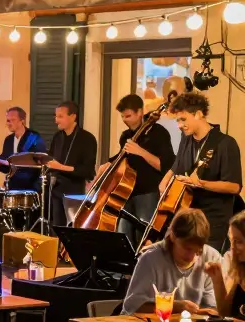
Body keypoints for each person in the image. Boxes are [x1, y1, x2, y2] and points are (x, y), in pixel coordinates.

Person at [122, 208, 221, 322]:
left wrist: (208, 312)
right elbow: (133, 306)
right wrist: (176, 306)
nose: (192, 256)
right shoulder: (150, 259)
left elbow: (214, 307)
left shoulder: (212, 258)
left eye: (197, 250)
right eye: (187, 248)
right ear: (173, 236)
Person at [162, 91, 243, 250]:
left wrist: (201, 183)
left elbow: (234, 186)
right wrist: (165, 180)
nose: (179, 125)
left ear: (198, 114)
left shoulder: (225, 144)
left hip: (213, 219)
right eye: (177, 120)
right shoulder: (186, 139)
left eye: (183, 119)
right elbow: (177, 164)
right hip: (188, 215)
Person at [105, 94, 174, 245]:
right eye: (123, 116)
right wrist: (108, 164)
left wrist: (140, 151)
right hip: (125, 193)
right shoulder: (126, 136)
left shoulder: (159, 133)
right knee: (123, 238)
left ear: (140, 112)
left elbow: (165, 165)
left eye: (128, 116)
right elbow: (122, 158)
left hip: (148, 192)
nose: (125, 120)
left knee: (144, 238)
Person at [45, 100, 98, 227]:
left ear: (73, 116)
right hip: (56, 190)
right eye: (55, 116)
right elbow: (51, 159)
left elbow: (87, 170)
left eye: (60, 116)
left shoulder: (87, 139)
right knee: (56, 227)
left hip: (75, 193)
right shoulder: (57, 137)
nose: (56, 120)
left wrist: (61, 167)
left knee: (72, 228)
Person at [0, 107, 45, 190]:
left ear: (22, 120)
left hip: (30, 186)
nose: (9, 123)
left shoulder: (34, 137)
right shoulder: (8, 140)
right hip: (12, 185)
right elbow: (6, 163)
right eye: (8, 120)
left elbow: (39, 162)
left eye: (12, 120)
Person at [208, 211, 245, 319]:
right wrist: (217, 279)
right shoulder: (237, 266)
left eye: (238, 241)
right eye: (231, 240)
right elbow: (225, 313)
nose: (232, 247)